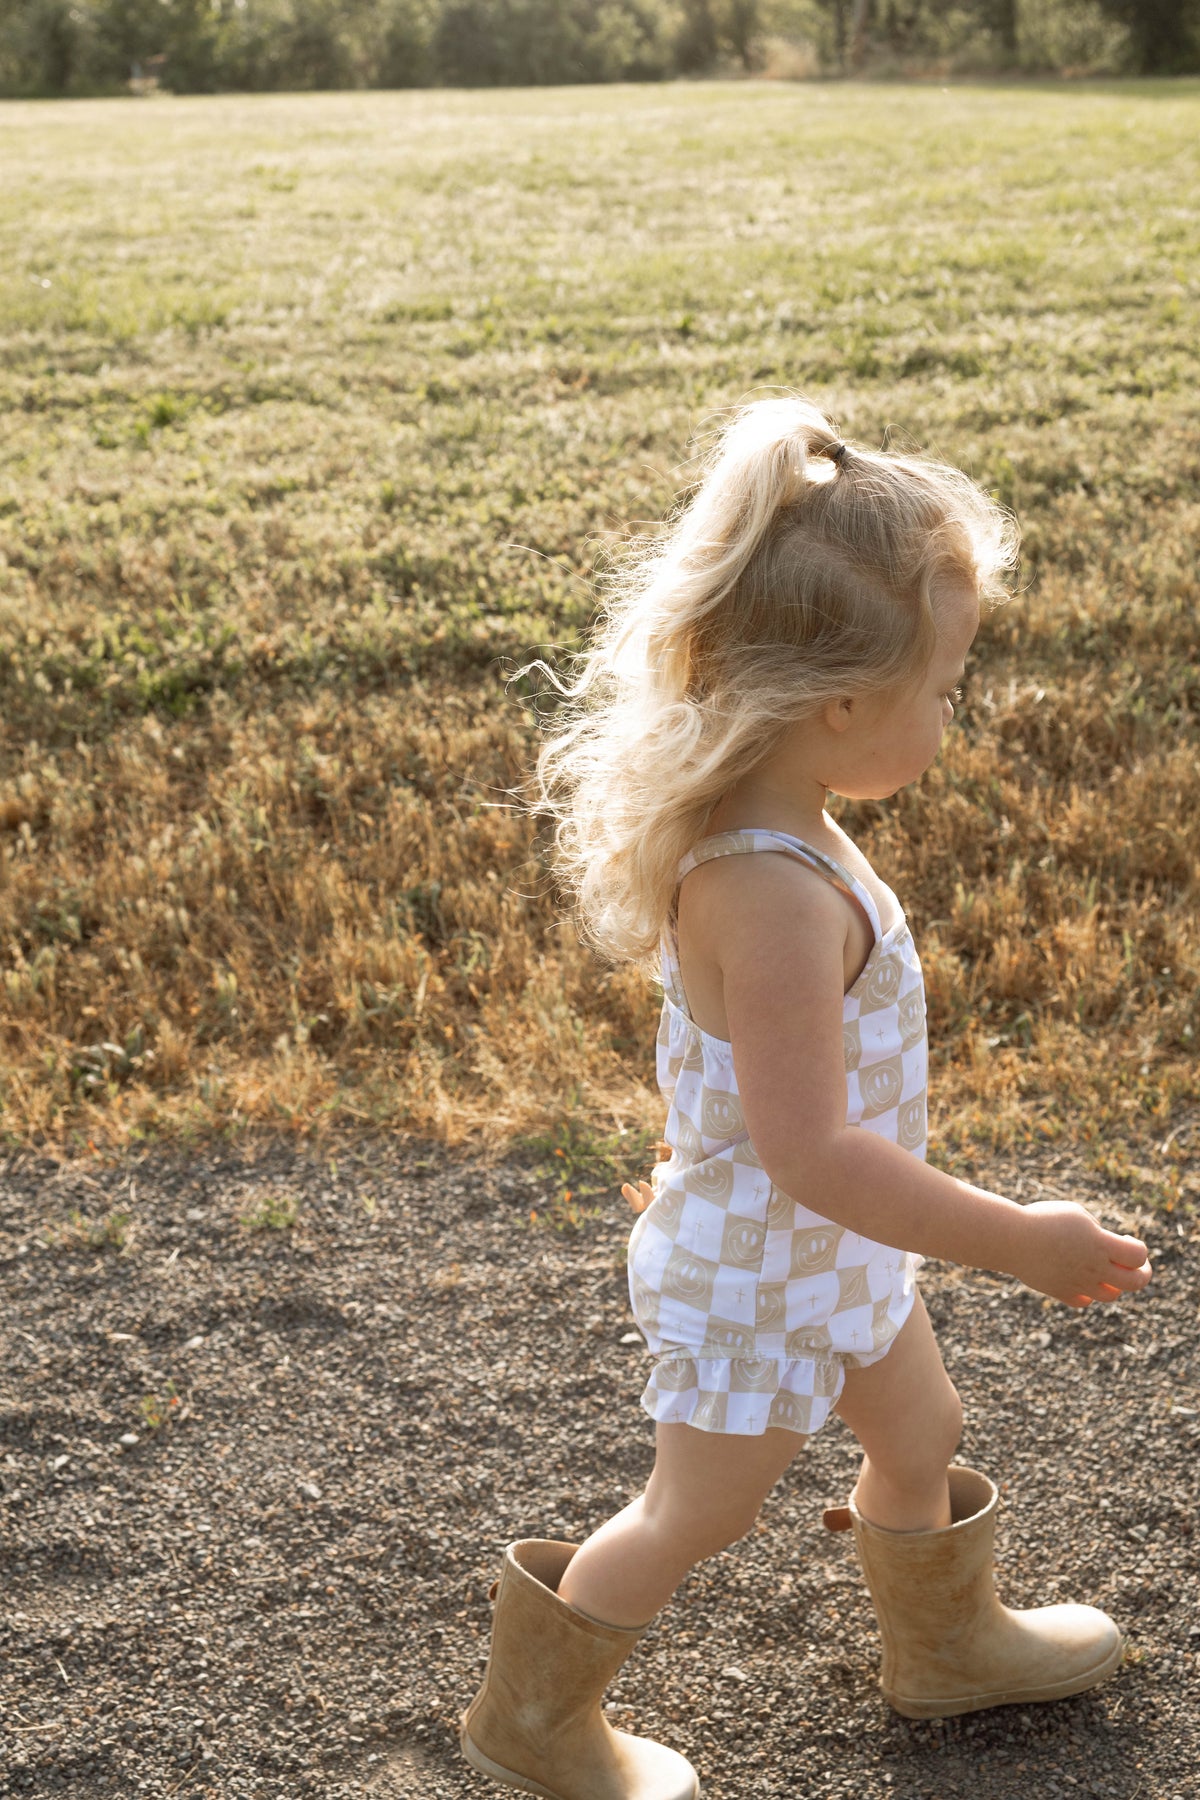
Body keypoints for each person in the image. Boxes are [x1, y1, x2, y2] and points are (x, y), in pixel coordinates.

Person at [460, 397, 1153, 1800]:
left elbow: (783, 1123)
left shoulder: (793, 834)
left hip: (823, 1253)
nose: (955, 711)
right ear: (840, 703)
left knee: (919, 1430)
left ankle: (946, 1650)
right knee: (692, 1512)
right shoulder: (768, 889)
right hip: (766, 1271)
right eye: (945, 686)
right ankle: (532, 1723)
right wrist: (1018, 1238)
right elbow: (814, 1147)